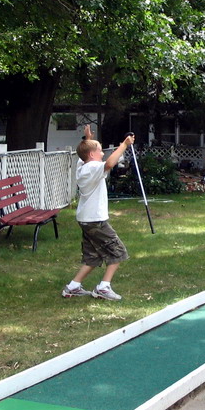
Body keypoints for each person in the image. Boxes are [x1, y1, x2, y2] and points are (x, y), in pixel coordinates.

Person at [62, 125, 135, 300]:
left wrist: (87, 138)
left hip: (86, 219)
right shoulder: (93, 168)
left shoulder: (82, 165)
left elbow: (85, 151)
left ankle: (73, 287)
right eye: (100, 151)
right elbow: (110, 163)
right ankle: (103, 288)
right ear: (92, 155)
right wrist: (124, 145)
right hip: (95, 220)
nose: (103, 153)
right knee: (118, 252)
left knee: (92, 257)